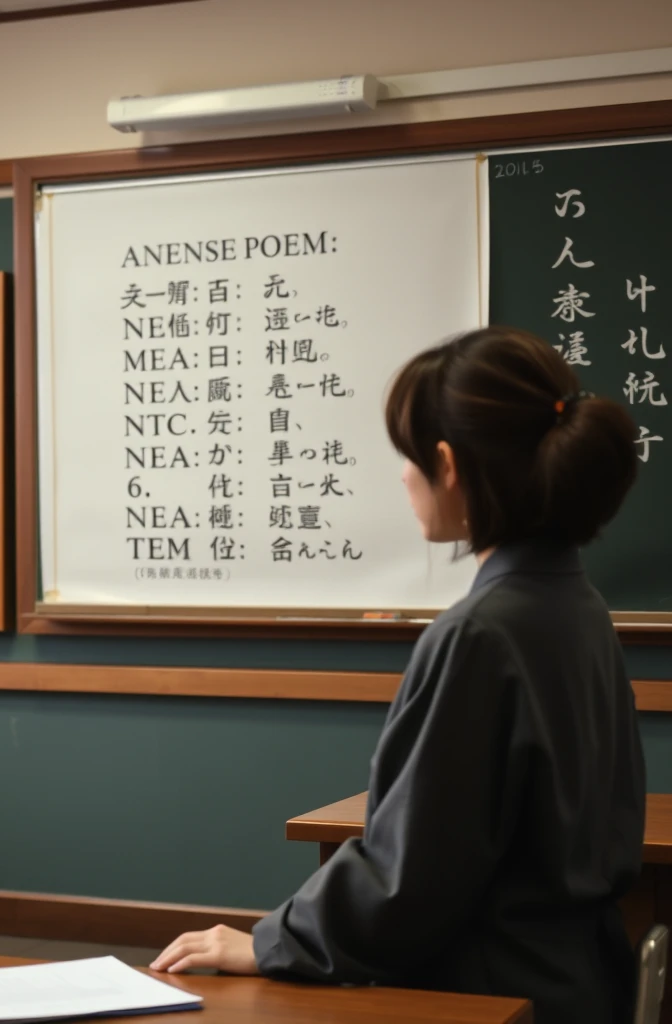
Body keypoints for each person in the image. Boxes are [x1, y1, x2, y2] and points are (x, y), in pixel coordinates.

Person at [151, 326, 646, 1024]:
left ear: (447, 464)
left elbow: (410, 883)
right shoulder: (576, 604)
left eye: (408, 456)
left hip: (492, 994)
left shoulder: (479, 633)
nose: (402, 476)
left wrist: (269, 942)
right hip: (579, 983)